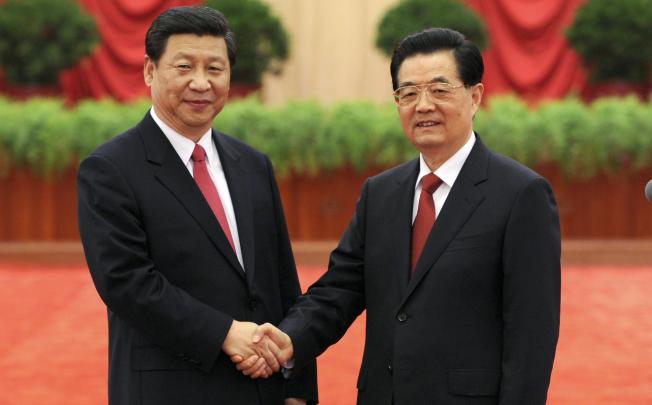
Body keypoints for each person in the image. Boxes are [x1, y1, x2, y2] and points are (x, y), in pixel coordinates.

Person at [241, 28, 561, 404]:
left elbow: (531, 336)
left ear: (475, 97)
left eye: (440, 90)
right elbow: (339, 289)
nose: (423, 105)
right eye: (408, 93)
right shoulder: (381, 193)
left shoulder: (521, 194)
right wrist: (289, 339)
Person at [77, 6, 317, 405]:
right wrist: (225, 332)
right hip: (171, 388)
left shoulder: (253, 164)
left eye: (215, 69)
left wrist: (298, 388)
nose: (201, 83)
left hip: (264, 389)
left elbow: (282, 282)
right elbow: (127, 284)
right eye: (184, 67)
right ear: (150, 71)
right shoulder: (110, 168)